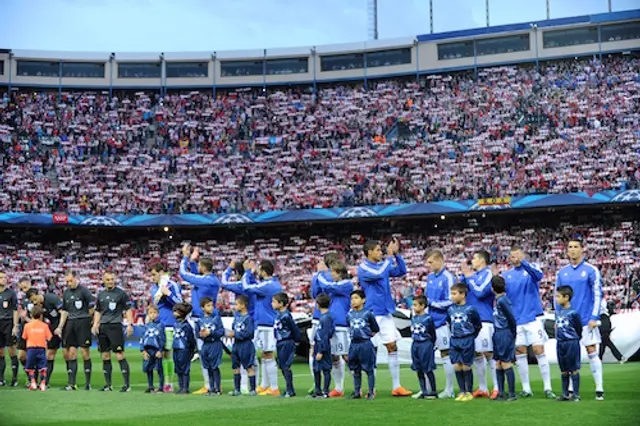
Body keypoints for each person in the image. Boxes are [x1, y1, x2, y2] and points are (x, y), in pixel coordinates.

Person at [357, 238, 412, 397]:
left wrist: (396, 254)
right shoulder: (364, 267)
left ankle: (396, 386)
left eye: (382, 250)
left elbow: (401, 271)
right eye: (378, 250)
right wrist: (389, 256)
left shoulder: (382, 265)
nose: (381, 252)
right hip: (372, 312)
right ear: (369, 252)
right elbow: (380, 273)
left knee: (392, 346)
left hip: (386, 311)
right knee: (369, 350)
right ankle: (367, 387)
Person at [555, 238, 604, 400]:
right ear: (567, 250)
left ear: (583, 249)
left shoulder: (591, 270)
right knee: (569, 356)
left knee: (591, 351)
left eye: (576, 247)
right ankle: (569, 391)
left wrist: (594, 316)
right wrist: (558, 319)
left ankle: (599, 388)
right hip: (567, 323)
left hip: (586, 320)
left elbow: (598, 294)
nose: (573, 250)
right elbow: (557, 297)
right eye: (570, 247)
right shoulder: (562, 273)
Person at [503, 247, 555, 399]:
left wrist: (524, 263)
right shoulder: (507, 276)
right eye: (512, 256)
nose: (515, 258)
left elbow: (539, 275)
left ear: (523, 255)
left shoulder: (531, 269)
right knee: (520, 352)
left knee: (539, 350)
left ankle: (547, 387)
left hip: (533, 318)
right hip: (517, 320)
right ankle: (526, 388)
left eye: (518, 255)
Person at [178, 244, 221, 395]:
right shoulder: (209, 279)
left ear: (204, 268)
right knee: (205, 353)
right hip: (203, 317)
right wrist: (193, 260)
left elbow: (183, 274)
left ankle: (210, 385)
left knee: (206, 353)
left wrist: (185, 256)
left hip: (203, 319)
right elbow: (195, 273)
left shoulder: (207, 281)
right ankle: (211, 384)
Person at [242, 260, 282, 396]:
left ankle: (274, 387)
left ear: (264, 271)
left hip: (267, 324)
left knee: (268, 354)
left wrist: (247, 272)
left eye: (259, 269)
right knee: (265, 355)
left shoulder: (268, 285)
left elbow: (246, 288)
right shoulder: (271, 284)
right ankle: (265, 385)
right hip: (264, 323)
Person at [460, 250, 496, 399]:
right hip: (471, 320)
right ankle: (482, 388)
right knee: (476, 354)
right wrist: (465, 277)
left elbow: (481, 292)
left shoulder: (488, 273)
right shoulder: (473, 276)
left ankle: (497, 386)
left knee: (488, 353)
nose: (472, 261)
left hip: (484, 319)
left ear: (482, 260)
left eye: (474, 258)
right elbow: (462, 289)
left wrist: (469, 276)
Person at [91, 271, 134, 392]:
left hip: (115, 326)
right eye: (108, 279)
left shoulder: (121, 293)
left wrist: (130, 324)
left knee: (119, 355)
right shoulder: (101, 294)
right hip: (103, 327)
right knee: (105, 355)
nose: (110, 281)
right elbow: (98, 310)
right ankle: (108, 384)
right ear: (104, 280)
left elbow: (128, 309)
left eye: (112, 279)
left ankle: (127, 385)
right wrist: (95, 324)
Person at [221, 260, 259, 392]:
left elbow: (224, 283)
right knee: (252, 360)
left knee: (245, 361)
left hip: (242, 324)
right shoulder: (254, 283)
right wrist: (250, 272)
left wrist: (229, 268)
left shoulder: (240, 285)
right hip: (253, 321)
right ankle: (255, 386)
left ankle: (244, 387)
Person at [317, 260, 353, 398]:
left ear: (339, 273)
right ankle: (338, 388)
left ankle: (358, 385)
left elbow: (327, 285)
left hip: (342, 324)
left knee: (346, 356)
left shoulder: (346, 284)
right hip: (333, 324)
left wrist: (320, 273)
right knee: (334, 357)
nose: (330, 275)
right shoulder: (334, 286)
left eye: (332, 272)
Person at [423, 250, 456, 399]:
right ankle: (428, 389)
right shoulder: (429, 277)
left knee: (445, 353)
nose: (428, 265)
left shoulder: (448, 277)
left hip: (443, 322)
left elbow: (451, 300)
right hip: (430, 322)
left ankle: (449, 389)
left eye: (431, 262)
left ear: (439, 260)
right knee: (426, 355)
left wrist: (433, 304)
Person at [55, 270, 94, 391]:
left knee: (84, 352)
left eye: (70, 280)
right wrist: (60, 327)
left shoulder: (84, 291)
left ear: (76, 278)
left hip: (82, 323)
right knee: (70, 353)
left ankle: (88, 383)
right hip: (70, 324)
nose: (68, 283)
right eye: (66, 281)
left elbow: (92, 307)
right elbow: (65, 312)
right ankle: (72, 383)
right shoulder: (66, 293)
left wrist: (88, 320)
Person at [149, 263, 183, 393]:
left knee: (168, 355)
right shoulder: (154, 288)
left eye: (154, 274)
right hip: (158, 326)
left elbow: (180, 304)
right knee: (160, 356)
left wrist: (168, 294)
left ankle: (169, 383)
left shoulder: (172, 285)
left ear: (161, 273)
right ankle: (163, 383)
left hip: (170, 324)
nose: (152, 278)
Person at [308, 252, 340, 389]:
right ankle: (338, 386)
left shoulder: (320, 277)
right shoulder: (338, 277)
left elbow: (314, 294)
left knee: (314, 348)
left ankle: (317, 385)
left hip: (319, 316)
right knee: (336, 353)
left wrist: (318, 275)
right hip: (334, 316)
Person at [447, 282, 482, 402]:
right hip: (454, 340)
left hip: (467, 339)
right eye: (451, 293)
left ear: (463, 295)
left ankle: (469, 391)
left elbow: (478, 324)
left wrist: (472, 336)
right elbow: (449, 323)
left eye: (454, 293)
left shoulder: (470, 309)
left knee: (466, 366)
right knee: (457, 365)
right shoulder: (450, 309)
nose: (452, 296)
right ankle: (461, 391)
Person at [26, 288, 63, 387]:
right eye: (32, 301)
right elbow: (39, 320)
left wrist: (61, 327)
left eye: (35, 299)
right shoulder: (37, 306)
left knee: (68, 353)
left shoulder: (52, 298)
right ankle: (45, 382)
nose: (34, 302)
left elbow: (63, 313)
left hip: (64, 326)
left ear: (39, 294)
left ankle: (72, 383)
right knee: (49, 354)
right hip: (52, 328)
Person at [346, 290, 379, 400]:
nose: (353, 301)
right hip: (353, 344)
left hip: (365, 344)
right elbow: (348, 327)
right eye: (352, 298)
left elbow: (375, 328)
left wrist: (366, 336)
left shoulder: (368, 313)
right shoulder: (349, 314)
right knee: (355, 369)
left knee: (369, 369)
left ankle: (370, 392)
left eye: (356, 298)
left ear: (363, 300)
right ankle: (357, 391)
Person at [554, 286, 583, 402]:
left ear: (566, 297)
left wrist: (575, 338)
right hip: (560, 343)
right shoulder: (557, 312)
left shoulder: (573, 313)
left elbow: (578, 328)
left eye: (558, 296)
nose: (556, 299)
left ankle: (575, 394)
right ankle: (565, 394)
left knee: (573, 369)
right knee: (563, 369)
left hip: (571, 342)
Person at [491, 276, 517, 402]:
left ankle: (511, 393)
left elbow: (511, 318)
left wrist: (512, 333)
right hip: (498, 332)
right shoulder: (498, 300)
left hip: (504, 332)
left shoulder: (503, 301)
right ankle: (501, 393)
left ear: (492, 288)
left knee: (506, 362)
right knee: (498, 362)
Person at [272, 292, 301, 397]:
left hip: (286, 342)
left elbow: (294, 329)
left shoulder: (286, 316)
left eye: (274, 302)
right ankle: (289, 389)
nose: (272, 304)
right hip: (280, 342)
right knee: (282, 365)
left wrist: (296, 340)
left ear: (281, 303)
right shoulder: (279, 315)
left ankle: (290, 389)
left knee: (285, 366)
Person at [194, 297, 224, 396]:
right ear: (202, 308)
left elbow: (221, 332)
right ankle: (211, 388)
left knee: (215, 367)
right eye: (208, 306)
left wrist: (210, 332)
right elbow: (197, 334)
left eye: (212, 305)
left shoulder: (216, 318)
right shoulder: (199, 321)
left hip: (215, 344)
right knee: (208, 367)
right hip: (205, 345)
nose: (211, 308)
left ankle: (217, 388)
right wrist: (201, 334)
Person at [228, 295, 257, 396]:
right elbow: (233, 329)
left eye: (236, 304)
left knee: (249, 367)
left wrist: (235, 334)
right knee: (235, 367)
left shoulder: (248, 319)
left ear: (243, 305)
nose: (235, 306)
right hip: (236, 345)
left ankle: (253, 389)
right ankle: (237, 389)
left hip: (246, 345)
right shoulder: (237, 318)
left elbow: (250, 334)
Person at [410, 295, 437, 399]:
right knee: (418, 368)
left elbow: (432, 333)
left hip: (425, 344)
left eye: (415, 305)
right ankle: (424, 390)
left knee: (428, 368)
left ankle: (433, 391)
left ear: (422, 306)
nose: (413, 307)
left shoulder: (428, 318)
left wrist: (431, 343)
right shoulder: (414, 318)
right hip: (415, 344)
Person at [22, 306, 52, 391]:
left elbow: (24, 337)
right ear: (41, 316)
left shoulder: (27, 326)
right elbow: (49, 337)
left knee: (30, 367)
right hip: (41, 348)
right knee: (42, 367)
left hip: (31, 349)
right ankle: (42, 384)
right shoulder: (44, 326)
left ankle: (33, 383)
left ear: (31, 315)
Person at [311, 293, 334, 399]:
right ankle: (318, 390)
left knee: (325, 369)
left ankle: (325, 391)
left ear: (318, 304)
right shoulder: (324, 317)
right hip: (318, 345)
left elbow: (325, 335)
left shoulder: (326, 318)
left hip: (322, 346)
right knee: (316, 368)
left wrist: (321, 351)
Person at [140, 305, 166, 393]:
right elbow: (142, 339)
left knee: (159, 369)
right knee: (148, 369)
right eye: (150, 313)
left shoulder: (160, 325)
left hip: (156, 350)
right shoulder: (146, 326)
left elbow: (162, 338)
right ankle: (150, 386)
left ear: (158, 314)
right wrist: (142, 350)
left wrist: (160, 350)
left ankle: (161, 387)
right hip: (148, 350)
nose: (153, 315)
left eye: (154, 313)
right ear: (147, 314)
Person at [172, 303, 196, 394]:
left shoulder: (186, 326)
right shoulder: (176, 324)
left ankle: (185, 387)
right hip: (176, 349)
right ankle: (181, 387)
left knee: (185, 369)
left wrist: (192, 349)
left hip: (184, 349)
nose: (173, 313)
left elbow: (191, 338)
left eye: (175, 311)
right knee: (178, 369)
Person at [0, 271, 19, 387]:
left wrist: (15, 326)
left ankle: (14, 378)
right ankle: (1, 378)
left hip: (8, 323)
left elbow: (15, 310)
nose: (3, 279)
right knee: (0, 352)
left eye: (4, 277)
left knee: (12, 350)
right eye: (1, 277)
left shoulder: (11, 293)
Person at [16, 277, 34, 387]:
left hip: (35, 331)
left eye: (25, 287)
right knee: (21, 356)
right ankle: (30, 377)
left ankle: (36, 379)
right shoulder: (24, 300)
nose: (24, 290)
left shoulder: (37, 298)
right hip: (24, 330)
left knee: (34, 356)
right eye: (22, 288)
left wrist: (26, 318)